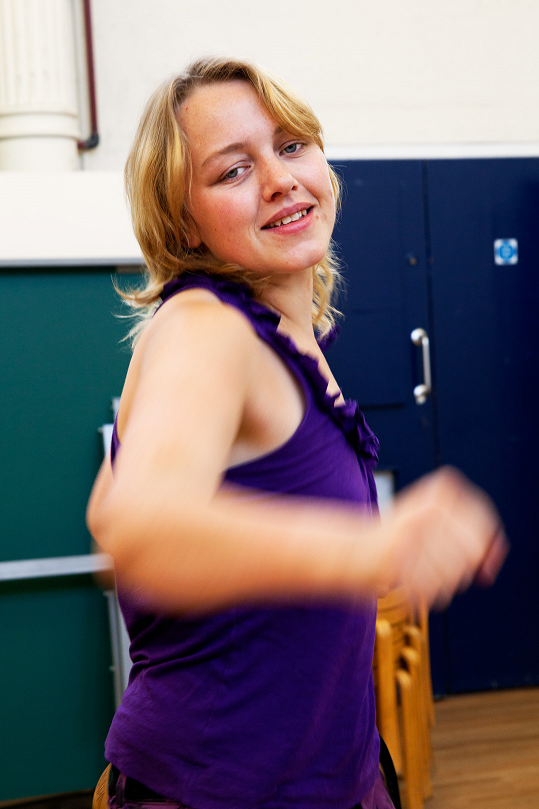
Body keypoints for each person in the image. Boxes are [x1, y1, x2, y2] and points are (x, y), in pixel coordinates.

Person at [87, 57, 507, 809]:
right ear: (182, 219)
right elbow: (133, 525)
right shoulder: (204, 328)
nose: (280, 179)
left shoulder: (286, 339)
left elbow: (106, 499)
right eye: (231, 170)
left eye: (289, 145)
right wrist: (370, 549)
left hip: (331, 771)